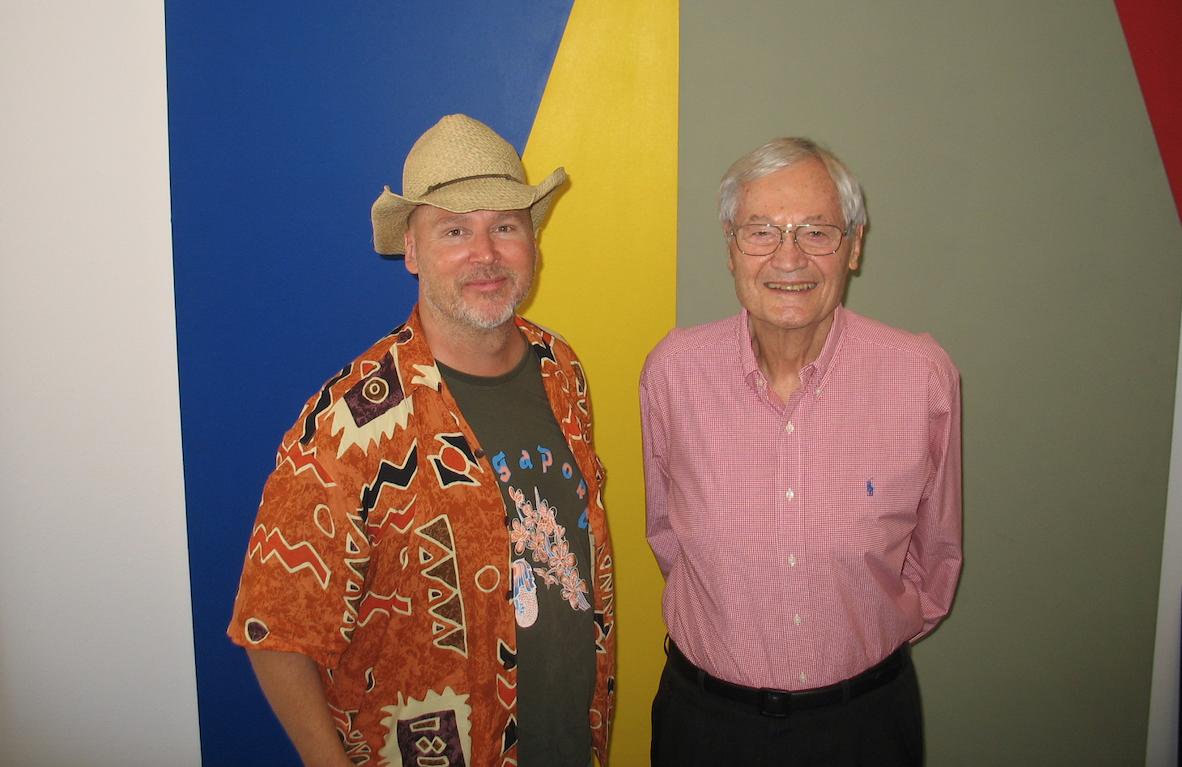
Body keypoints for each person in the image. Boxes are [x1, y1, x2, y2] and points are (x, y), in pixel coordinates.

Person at [228, 114, 615, 767]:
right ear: (411, 250)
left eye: (506, 226)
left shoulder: (561, 370)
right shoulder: (350, 422)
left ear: (534, 241)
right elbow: (273, 629)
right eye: (455, 230)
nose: (485, 253)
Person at [641, 137, 961, 766]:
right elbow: (667, 540)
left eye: (818, 232)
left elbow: (937, 558)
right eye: (761, 232)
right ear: (731, 247)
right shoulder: (673, 372)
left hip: (862, 725)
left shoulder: (921, 377)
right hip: (704, 725)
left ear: (855, 246)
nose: (789, 258)